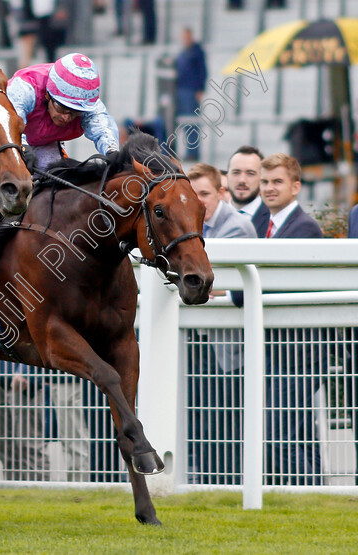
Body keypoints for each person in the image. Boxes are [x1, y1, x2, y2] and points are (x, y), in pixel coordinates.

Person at [186, 163, 256, 485]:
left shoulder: (236, 227)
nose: (197, 201)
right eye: (192, 194)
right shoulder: (188, 223)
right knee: (201, 421)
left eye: (204, 194)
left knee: (223, 423)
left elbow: (206, 282)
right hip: (199, 342)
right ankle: (206, 484)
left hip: (228, 348)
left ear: (221, 193)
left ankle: (226, 484)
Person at [258, 153, 324, 486]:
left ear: (296, 187)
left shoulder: (305, 228)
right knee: (298, 433)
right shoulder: (260, 225)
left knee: (280, 432)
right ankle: (316, 494)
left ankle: (302, 494)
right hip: (276, 349)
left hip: (301, 352)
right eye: (265, 182)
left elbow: (274, 284)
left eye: (277, 182)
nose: (269, 189)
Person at [6, 52, 119, 171]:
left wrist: (112, 152)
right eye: (62, 108)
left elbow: (103, 128)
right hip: (5, 140)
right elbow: (8, 123)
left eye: (75, 112)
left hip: (45, 143)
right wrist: (21, 145)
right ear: (48, 94)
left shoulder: (88, 103)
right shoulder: (24, 88)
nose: (66, 118)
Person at [174, 27, 207, 161]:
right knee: (184, 122)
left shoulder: (197, 52)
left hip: (191, 90)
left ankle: (193, 151)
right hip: (180, 90)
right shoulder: (184, 52)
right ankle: (185, 150)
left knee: (191, 122)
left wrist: (200, 88)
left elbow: (202, 71)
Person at [13, 0, 68, 69]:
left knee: (49, 45)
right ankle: (25, 68)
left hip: (48, 17)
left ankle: (50, 67)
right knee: (28, 42)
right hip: (29, 15)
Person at [226, 145, 270, 232]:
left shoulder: (275, 220)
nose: (242, 180)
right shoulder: (210, 219)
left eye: (250, 173)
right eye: (236, 172)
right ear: (227, 177)